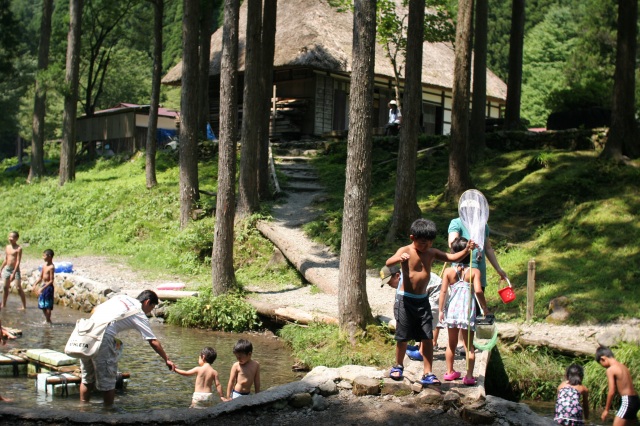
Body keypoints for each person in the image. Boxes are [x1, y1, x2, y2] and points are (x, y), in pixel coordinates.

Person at [385, 218, 475, 386]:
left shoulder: (431, 253)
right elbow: (388, 262)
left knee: (427, 337)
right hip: (405, 300)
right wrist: (400, 259)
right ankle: (398, 365)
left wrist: (467, 250)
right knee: (402, 336)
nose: (425, 246)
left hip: (422, 300)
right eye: (422, 243)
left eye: (429, 242)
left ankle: (428, 373)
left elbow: (451, 257)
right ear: (412, 238)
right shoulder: (405, 250)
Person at [79, 290, 176, 406]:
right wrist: (167, 359)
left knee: (87, 378)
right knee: (109, 382)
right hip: (102, 337)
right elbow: (153, 341)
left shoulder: (121, 298)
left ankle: (83, 409)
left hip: (84, 331)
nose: (150, 311)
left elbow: (96, 309)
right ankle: (108, 414)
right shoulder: (138, 313)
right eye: (152, 307)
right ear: (147, 302)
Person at [448, 205, 507, 356]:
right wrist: (467, 247)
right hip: (461, 271)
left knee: (474, 308)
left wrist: (498, 269)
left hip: (478, 271)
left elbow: (488, 248)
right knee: (463, 307)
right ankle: (461, 344)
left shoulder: (483, 226)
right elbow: (452, 243)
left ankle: (469, 343)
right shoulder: (456, 222)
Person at [438, 237, 491, 386]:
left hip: (453, 311)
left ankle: (449, 372)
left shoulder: (448, 271)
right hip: (467, 311)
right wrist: (485, 308)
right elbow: (479, 291)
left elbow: (443, 292)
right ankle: (468, 376)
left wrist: (441, 310)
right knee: (469, 346)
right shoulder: (474, 271)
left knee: (451, 343)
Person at [380, 265, 443, 362]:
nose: (389, 285)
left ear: (397, 275)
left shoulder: (406, 280)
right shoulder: (403, 279)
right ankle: (420, 346)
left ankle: (422, 352)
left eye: (389, 282)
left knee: (428, 320)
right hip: (426, 291)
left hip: (437, 291)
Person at [596, 346, 639, 424]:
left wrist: (606, 410)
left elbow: (611, 391)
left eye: (601, 364)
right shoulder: (623, 366)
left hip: (627, 401)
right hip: (635, 399)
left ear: (603, 359)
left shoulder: (611, 369)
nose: (604, 367)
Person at [0, 231, 26, 310]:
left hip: (15, 270)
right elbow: (6, 259)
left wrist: (14, 273)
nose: (10, 239)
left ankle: (24, 306)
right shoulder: (7, 247)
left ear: (16, 238)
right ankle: (3, 304)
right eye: (9, 237)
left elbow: (18, 261)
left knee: (18, 287)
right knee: (5, 287)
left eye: (12, 237)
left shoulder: (19, 248)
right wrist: (0, 269)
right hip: (7, 268)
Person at [34, 249, 55, 324]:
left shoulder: (51, 267)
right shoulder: (44, 266)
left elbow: (51, 280)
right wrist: (35, 284)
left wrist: (42, 288)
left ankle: (48, 321)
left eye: (44, 256)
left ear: (49, 256)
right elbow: (40, 277)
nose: (43, 257)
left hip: (49, 287)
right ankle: (48, 320)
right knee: (42, 304)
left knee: (48, 305)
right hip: (44, 285)